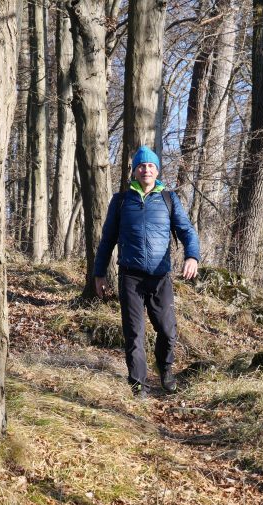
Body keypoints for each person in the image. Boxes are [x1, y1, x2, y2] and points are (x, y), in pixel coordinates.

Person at [94, 145, 201, 396]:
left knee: (167, 330)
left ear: (157, 170)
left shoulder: (168, 199)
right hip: (130, 276)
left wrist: (192, 256)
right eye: (141, 165)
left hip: (160, 276)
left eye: (151, 165)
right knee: (134, 334)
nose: (146, 170)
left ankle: (165, 369)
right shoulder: (120, 201)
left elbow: (186, 231)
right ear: (134, 171)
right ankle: (138, 386)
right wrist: (99, 274)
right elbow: (107, 240)